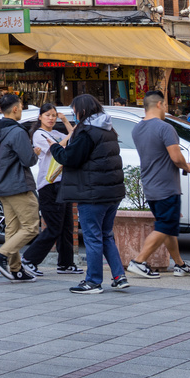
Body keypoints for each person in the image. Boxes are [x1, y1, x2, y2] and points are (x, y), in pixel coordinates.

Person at [52, 93, 127, 294]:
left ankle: (93, 281)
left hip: (92, 194)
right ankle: (119, 276)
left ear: (82, 111)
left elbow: (71, 158)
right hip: (112, 192)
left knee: (93, 237)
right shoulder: (108, 129)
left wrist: (54, 148)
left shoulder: (87, 132)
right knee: (106, 235)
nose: (74, 114)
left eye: (75, 110)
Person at [126, 91, 190, 279]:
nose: (167, 109)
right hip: (166, 186)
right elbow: (176, 157)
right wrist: (188, 167)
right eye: (165, 105)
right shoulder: (165, 128)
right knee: (165, 226)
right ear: (159, 105)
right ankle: (138, 262)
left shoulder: (137, 129)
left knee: (167, 227)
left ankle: (179, 264)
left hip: (150, 185)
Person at [0, 94, 40, 281]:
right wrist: (35, 152)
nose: (22, 109)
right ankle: (0, 255)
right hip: (18, 185)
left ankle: (16, 269)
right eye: (22, 106)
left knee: (12, 228)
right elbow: (28, 160)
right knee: (31, 227)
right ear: (16, 108)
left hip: (1, 185)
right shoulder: (17, 132)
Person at [22, 103, 79, 275]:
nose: (51, 118)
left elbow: (73, 137)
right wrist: (68, 137)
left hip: (62, 182)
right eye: (48, 115)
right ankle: (29, 260)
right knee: (54, 227)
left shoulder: (54, 132)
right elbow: (59, 147)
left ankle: (66, 263)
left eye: (54, 115)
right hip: (49, 184)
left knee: (67, 226)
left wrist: (65, 120)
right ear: (40, 117)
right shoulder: (39, 134)